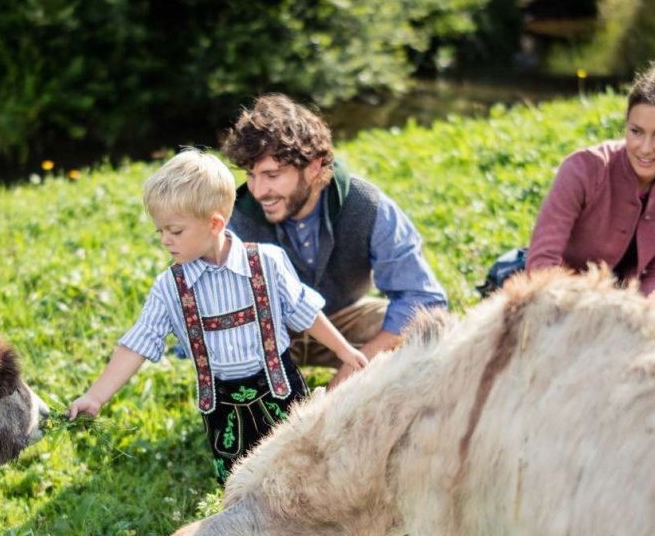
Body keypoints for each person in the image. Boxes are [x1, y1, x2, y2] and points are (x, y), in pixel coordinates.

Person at [67, 149, 367, 483]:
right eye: (160, 232)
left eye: (175, 231)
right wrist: (96, 396)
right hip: (222, 405)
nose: (165, 241)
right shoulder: (170, 287)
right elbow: (138, 343)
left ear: (215, 224)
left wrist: (344, 351)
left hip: (279, 390)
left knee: (301, 470)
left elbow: (304, 311)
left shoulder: (266, 263)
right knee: (240, 482)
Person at [221, 94, 447, 386]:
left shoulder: (367, 206)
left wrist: (353, 371)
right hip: (269, 332)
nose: (259, 190)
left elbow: (422, 297)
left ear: (313, 166)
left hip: (343, 320)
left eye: (272, 175)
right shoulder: (237, 218)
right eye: (252, 175)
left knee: (426, 327)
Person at [525, 63, 655, 303]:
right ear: (626, 124)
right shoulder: (583, 168)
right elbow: (542, 264)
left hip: (625, 306)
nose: (645, 148)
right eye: (636, 131)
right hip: (562, 299)